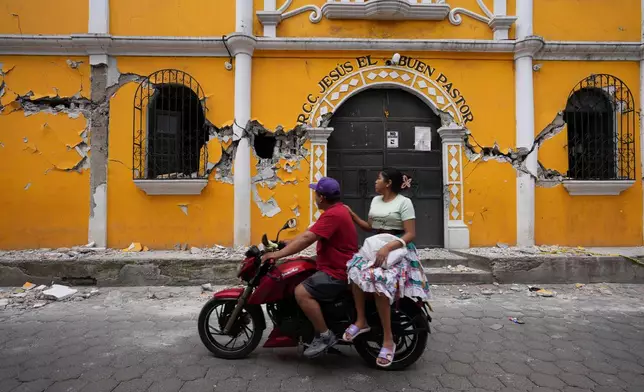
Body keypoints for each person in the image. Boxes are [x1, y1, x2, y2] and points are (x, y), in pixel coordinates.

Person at [341, 168, 430, 368]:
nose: (375, 182)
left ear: (388, 183)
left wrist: (388, 247)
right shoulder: (375, 201)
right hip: (376, 245)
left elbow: (410, 234)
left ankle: (388, 340)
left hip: (397, 247)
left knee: (380, 281)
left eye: (378, 179)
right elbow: (369, 227)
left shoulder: (404, 203)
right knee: (354, 272)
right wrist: (352, 214)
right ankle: (361, 320)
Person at [261, 177, 358, 358]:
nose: (314, 196)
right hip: (333, 263)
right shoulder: (336, 210)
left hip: (336, 270)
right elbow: (308, 234)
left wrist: (276, 255)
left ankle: (324, 335)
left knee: (301, 292)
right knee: (300, 267)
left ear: (321, 197)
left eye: (315, 192)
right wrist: (283, 244)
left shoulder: (333, 215)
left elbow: (307, 239)